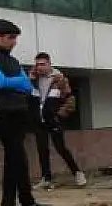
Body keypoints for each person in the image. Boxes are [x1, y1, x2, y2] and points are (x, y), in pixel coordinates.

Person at [0, 19, 53, 206]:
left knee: (18, 159)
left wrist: (18, 82)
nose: (14, 42)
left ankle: (26, 202)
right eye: (10, 38)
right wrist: (19, 81)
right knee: (15, 158)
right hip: (3, 112)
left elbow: (26, 86)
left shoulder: (13, 61)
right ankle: (9, 205)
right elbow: (0, 81)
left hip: (19, 111)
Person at [30, 52, 87, 189]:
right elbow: (30, 98)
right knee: (42, 149)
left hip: (54, 119)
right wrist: (31, 80)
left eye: (43, 64)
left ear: (49, 64)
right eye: (37, 65)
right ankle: (46, 178)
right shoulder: (34, 79)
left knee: (60, 147)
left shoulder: (59, 79)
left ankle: (78, 173)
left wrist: (60, 114)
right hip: (39, 119)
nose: (40, 67)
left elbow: (70, 99)